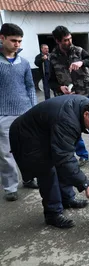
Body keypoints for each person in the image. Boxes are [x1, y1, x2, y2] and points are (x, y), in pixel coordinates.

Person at [9, 95, 89, 228]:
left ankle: (67, 199)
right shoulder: (67, 119)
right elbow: (65, 157)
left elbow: (65, 155)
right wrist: (85, 184)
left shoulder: (85, 106)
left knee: (61, 165)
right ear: (86, 114)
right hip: (26, 136)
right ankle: (52, 214)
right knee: (47, 171)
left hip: (43, 131)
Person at [49, 25, 89, 167]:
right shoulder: (52, 57)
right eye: (65, 40)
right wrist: (60, 87)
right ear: (57, 41)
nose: (69, 42)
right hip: (67, 99)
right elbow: (50, 80)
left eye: (70, 38)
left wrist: (82, 62)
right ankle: (82, 155)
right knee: (73, 128)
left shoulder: (78, 50)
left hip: (85, 96)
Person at [0, 23, 38, 201]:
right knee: (6, 154)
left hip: (25, 113)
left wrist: (33, 109)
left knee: (28, 150)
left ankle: (29, 178)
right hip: (3, 115)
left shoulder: (24, 63)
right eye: (13, 40)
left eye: (20, 41)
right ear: (2, 38)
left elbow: (30, 87)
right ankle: (10, 187)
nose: (17, 44)